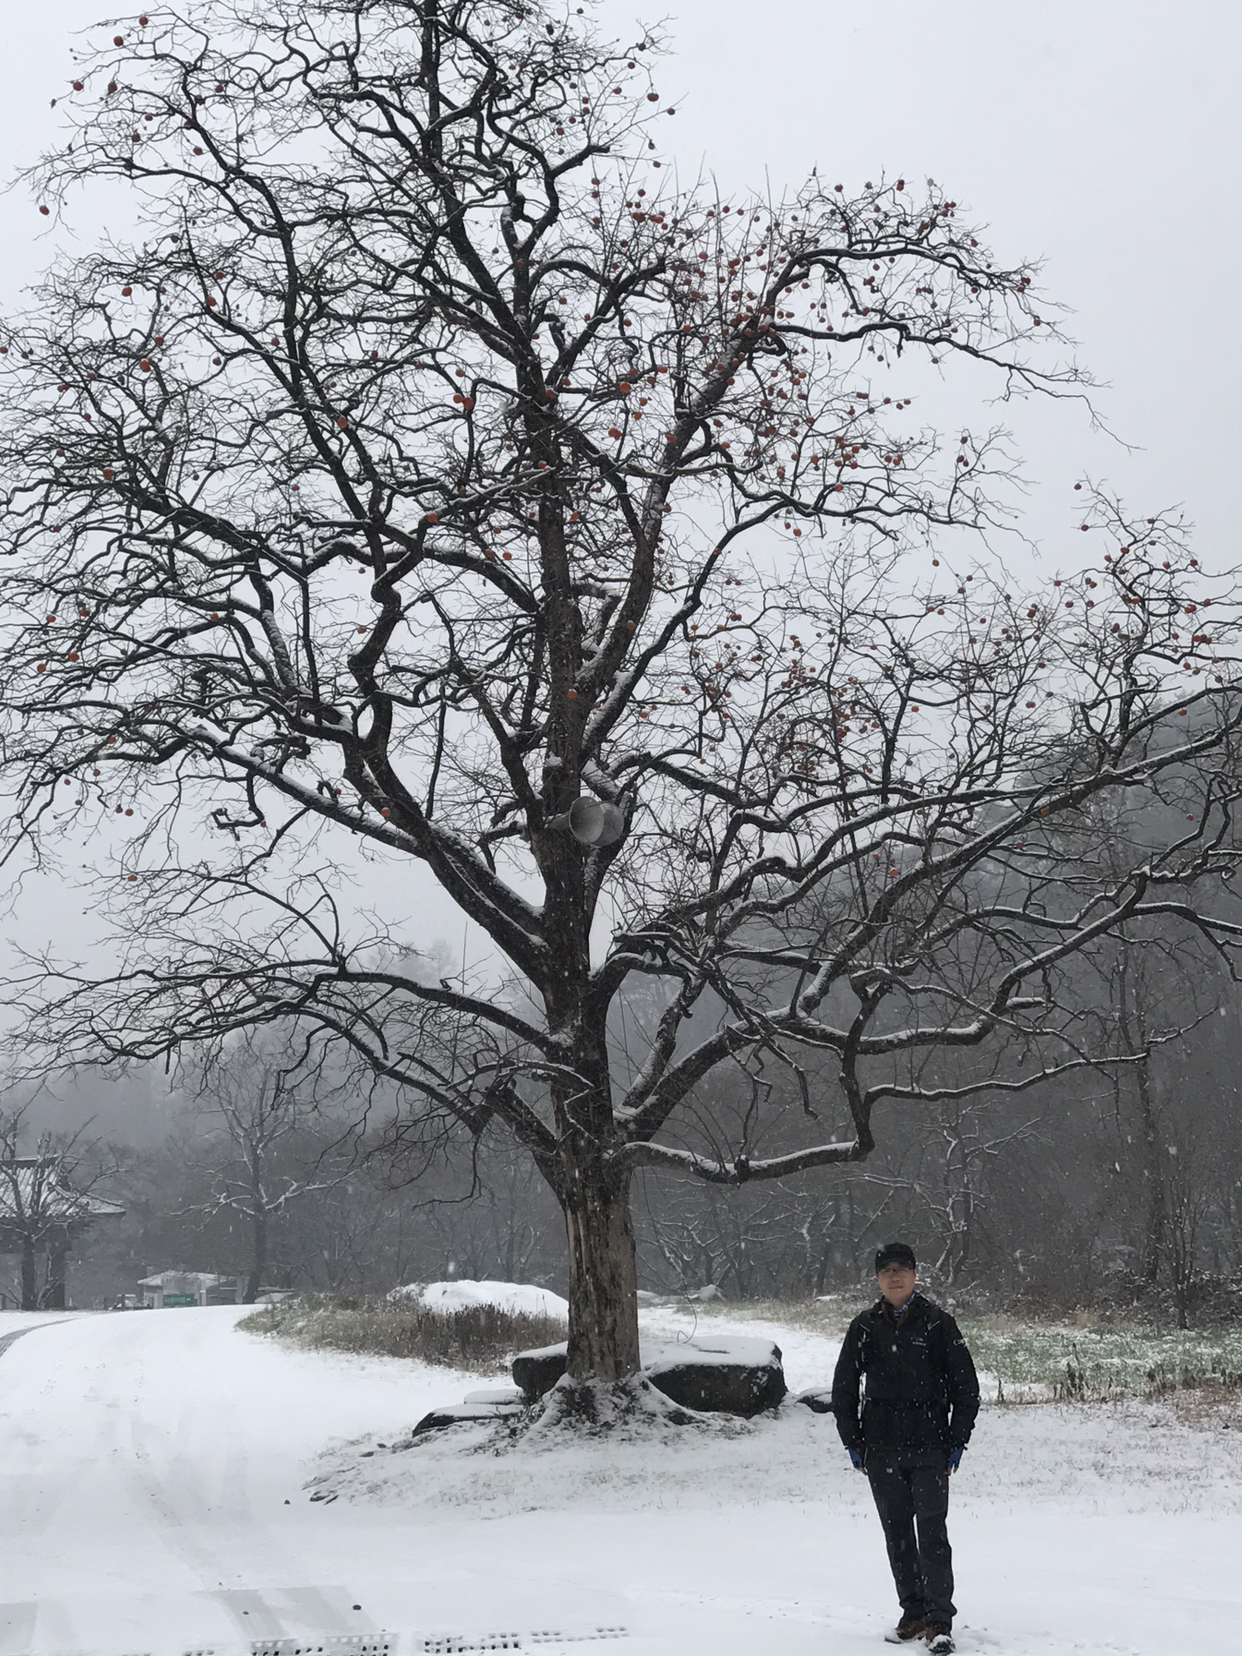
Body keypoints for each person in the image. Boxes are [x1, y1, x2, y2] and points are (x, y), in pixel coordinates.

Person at [831, 1243, 979, 1655]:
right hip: (881, 1448)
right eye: (887, 1270)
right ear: (877, 1279)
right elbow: (843, 1389)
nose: (895, 1277)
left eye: (902, 1269)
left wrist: (956, 1439)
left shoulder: (937, 1324)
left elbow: (966, 1388)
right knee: (897, 1534)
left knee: (932, 1533)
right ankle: (912, 1611)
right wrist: (854, 1441)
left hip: (930, 1445)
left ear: (916, 1274)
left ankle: (938, 1621)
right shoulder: (863, 1327)